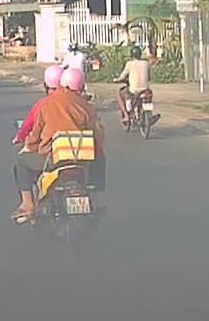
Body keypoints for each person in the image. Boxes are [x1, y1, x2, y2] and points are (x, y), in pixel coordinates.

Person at [12, 67, 104, 223]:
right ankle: (94, 189)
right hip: (81, 159)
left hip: (52, 158)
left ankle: (28, 204)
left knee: (21, 162)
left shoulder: (46, 103)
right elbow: (98, 134)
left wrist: (31, 146)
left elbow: (35, 134)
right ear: (81, 86)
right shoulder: (86, 106)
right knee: (100, 156)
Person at [13, 65, 66, 143]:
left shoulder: (43, 103)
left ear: (45, 85)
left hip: (50, 143)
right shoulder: (78, 101)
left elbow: (29, 123)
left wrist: (20, 137)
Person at [114, 45, 152, 126]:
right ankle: (149, 114)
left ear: (131, 55)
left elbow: (122, 76)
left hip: (134, 90)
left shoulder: (129, 64)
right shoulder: (146, 63)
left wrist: (116, 80)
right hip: (145, 89)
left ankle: (126, 115)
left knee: (120, 94)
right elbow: (149, 77)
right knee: (149, 95)